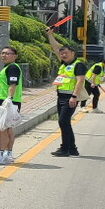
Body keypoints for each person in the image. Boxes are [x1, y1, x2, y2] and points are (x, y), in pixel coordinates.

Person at [46, 27, 87, 158]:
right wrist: (50, 35)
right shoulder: (64, 64)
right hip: (61, 96)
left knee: (63, 121)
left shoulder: (78, 65)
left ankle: (65, 149)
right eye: (62, 54)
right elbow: (55, 47)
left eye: (66, 53)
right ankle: (72, 149)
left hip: (70, 97)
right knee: (65, 122)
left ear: (73, 53)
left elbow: (80, 81)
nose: (63, 55)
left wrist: (74, 97)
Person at [0, 46, 24, 165]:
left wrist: (9, 99)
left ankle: (1, 154)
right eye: (2, 53)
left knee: (2, 128)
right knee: (7, 128)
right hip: (4, 100)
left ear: (15, 56)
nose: (4, 55)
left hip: (6, 102)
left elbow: (12, 84)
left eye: (7, 53)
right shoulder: (8, 67)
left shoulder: (12, 67)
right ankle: (8, 154)